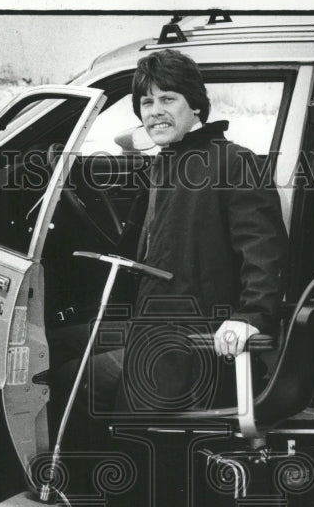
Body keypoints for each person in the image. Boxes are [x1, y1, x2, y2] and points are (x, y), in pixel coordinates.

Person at [54, 48, 289, 429]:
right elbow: (132, 138)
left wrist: (251, 316)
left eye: (168, 99)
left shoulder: (232, 161)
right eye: (146, 102)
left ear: (196, 105)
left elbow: (264, 251)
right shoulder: (169, 158)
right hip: (155, 322)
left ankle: (104, 478)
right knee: (58, 343)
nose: (155, 110)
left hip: (195, 338)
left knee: (73, 379)